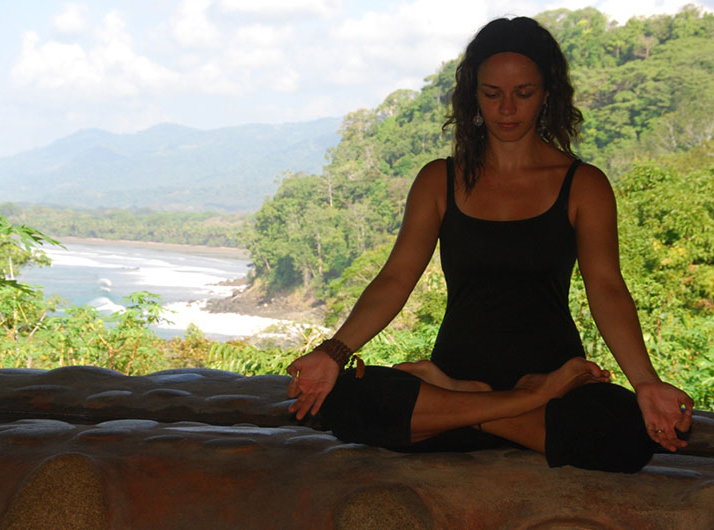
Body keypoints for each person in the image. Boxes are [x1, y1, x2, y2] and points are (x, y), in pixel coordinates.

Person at [285, 16, 693, 473]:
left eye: (524, 93)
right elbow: (396, 278)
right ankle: (499, 402)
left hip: (548, 387)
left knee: (625, 433)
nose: (507, 109)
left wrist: (647, 383)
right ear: (473, 96)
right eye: (492, 93)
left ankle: (479, 409)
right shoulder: (439, 180)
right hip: (468, 382)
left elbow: (607, 288)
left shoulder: (583, 185)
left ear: (547, 94)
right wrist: (333, 352)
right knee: (344, 398)